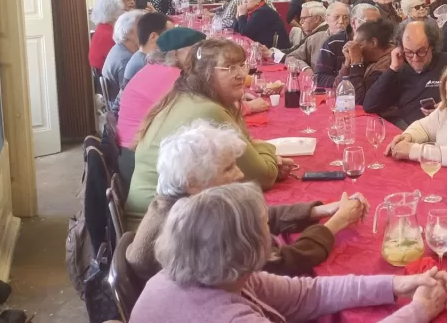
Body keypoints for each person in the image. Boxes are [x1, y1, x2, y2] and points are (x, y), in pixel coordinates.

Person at [130, 182, 447, 323]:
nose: (271, 233)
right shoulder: (225, 315)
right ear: (243, 247)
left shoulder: (212, 273)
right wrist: (418, 311)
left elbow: (307, 294)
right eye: (264, 225)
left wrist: (396, 285)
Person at [127, 122, 368, 282]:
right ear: (193, 182)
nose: (240, 174)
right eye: (228, 168)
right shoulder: (196, 229)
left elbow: (250, 218)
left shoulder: (180, 203)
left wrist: (321, 211)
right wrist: (335, 224)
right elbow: (282, 263)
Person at [126, 39, 284, 225]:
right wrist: (268, 148)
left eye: (242, 65)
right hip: (160, 226)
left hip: (165, 215)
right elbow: (263, 176)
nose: (241, 74)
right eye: (229, 68)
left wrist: (257, 151)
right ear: (206, 74)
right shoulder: (209, 110)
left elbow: (247, 147)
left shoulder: (187, 95)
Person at [116, 26, 206, 171]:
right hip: (140, 160)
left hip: (127, 152)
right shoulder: (175, 77)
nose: (203, 58)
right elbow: (204, 111)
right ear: (175, 53)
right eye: (197, 51)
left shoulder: (155, 68)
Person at [363, 21, 447, 129]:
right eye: (409, 52)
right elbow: (370, 106)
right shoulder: (400, 70)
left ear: (431, 45)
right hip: (408, 131)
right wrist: (393, 68)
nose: (415, 58)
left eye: (421, 51)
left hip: (444, 129)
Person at [315, 4, 380, 88]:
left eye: (379, 24)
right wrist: (345, 83)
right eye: (370, 24)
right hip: (341, 93)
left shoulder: (379, 43)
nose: (376, 28)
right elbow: (319, 78)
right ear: (354, 23)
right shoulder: (333, 42)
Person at [338, 20, 395, 103]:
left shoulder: (389, 63)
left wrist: (356, 63)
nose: (355, 50)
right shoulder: (370, 60)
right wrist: (347, 62)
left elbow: (358, 99)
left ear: (373, 42)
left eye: (359, 45)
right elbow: (339, 92)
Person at [285, 2, 349, 70]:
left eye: (345, 18)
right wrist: (305, 68)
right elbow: (291, 57)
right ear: (326, 19)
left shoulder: (352, 40)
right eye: (336, 17)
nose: (341, 21)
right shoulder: (315, 39)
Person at [102, 9, 144, 105]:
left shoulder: (120, 47)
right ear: (128, 32)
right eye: (141, 27)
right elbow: (132, 98)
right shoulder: (127, 61)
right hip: (122, 108)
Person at [122, 12, 172, 90]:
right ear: (154, 37)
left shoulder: (140, 56)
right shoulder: (147, 64)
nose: (175, 39)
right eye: (171, 35)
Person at [89, 0, 125, 71]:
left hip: (101, 71)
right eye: (122, 10)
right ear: (114, 12)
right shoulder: (112, 34)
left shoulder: (102, 28)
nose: (124, 13)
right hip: (108, 72)